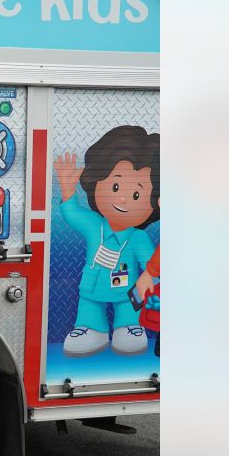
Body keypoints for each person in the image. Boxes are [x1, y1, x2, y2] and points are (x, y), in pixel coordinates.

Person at [53, 126, 159, 357]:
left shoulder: (137, 237)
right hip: (92, 289)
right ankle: (91, 328)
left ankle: (129, 326)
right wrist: (68, 190)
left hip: (127, 295)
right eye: (115, 185)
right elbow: (72, 214)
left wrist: (148, 279)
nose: (122, 198)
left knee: (128, 317)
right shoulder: (93, 225)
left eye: (136, 195)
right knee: (89, 310)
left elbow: (153, 266)